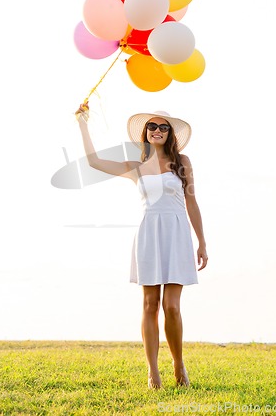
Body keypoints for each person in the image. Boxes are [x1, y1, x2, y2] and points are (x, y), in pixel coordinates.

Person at [75, 103, 208, 389]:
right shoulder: (135, 167)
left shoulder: (182, 161)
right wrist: (83, 123)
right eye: (152, 126)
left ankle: (178, 363)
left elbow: (192, 202)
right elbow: (93, 162)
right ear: (145, 133)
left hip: (177, 233)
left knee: (171, 306)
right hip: (149, 232)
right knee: (150, 303)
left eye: (163, 127)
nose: (157, 130)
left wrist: (202, 242)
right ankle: (153, 372)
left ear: (170, 133)